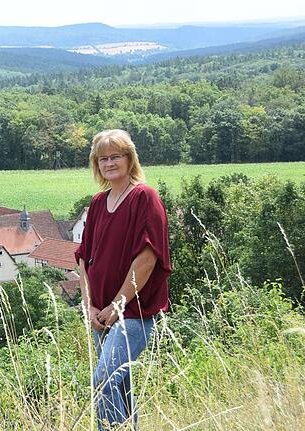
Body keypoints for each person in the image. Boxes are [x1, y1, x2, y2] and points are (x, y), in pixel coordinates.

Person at [74, 129, 172, 430]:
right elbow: (83, 259)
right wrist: (89, 306)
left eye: (116, 156)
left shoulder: (145, 197)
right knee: (121, 388)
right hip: (101, 316)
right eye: (102, 158)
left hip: (132, 314)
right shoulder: (99, 203)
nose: (109, 163)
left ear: (130, 159)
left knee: (103, 379)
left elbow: (147, 258)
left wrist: (117, 305)